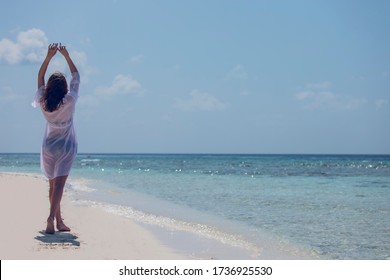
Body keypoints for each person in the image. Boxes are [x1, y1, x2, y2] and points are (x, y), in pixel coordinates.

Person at [33, 43, 80, 234]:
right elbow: (76, 75)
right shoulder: (69, 100)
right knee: (60, 184)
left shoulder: (43, 101)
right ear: (65, 87)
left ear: (50, 88)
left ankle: (59, 221)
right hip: (66, 145)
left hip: (49, 145)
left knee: (52, 184)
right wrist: (67, 56)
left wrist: (48, 57)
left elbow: (40, 78)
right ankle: (51, 218)